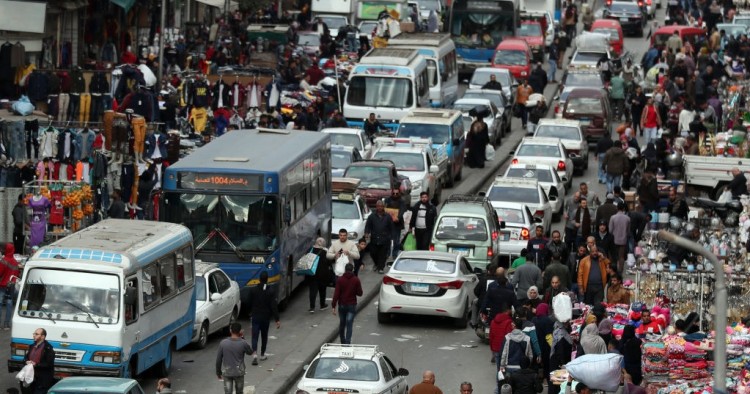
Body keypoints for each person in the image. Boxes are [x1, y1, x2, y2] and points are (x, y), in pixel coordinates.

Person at [247, 272, 280, 365]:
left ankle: (254, 354)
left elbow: (249, 302)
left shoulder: (253, 290)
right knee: (264, 336)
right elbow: (273, 306)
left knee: (254, 336)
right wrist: (277, 319)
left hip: (255, 316)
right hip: (265, 317)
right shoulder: (270, 291)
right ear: (267, 279)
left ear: (259, 279)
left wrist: (249, 313)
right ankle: (262, 354)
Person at [216, 322, 254, 394]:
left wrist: (218, 372)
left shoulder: (223, 343)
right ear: (240, 331)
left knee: (228, 392)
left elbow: (218, 359)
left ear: (230, 330)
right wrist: (242, 337)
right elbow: (250, 352)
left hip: (227, 372)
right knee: (239, 392)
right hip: (239, 372)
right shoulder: (243, 343)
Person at [332, 263, 363, 344]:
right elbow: (360, 293)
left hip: (342, 305)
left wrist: (333, 306)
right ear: (352, 270)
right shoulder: (356, 280)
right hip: (351, 305)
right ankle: (348, 342)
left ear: (345, 270)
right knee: (349, 323)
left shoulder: (340, 280)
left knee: (342, 323)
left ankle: (342, 340)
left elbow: (336, 294)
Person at [365, 200, 394, 274]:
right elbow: (368, 226)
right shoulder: (371, 216)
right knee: (373, 253)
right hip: (374, 238)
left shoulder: (388, 216)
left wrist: (391, 237)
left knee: (383, 254)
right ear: (376, 207)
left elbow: (391, 227)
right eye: (378, 206)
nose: (380, 207)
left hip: (385, 239)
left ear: (383, 207)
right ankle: (377, 264)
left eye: (381, 206)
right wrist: (367, 233)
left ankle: (381, 268)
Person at [23, 328, 55, 394]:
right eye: (34, 334)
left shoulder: (48, 348)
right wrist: (26, 361)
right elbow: (25, 357)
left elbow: (49, 364)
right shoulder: (31, 346)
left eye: (36, 334)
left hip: (42, 379)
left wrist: (36, 364)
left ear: (43, 336)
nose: (34, 335)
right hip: (31, 377)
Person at [308, 237, 332, 313]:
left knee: (312, 291)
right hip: (323, 275)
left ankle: (312, 307)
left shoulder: (311, 251)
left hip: (312, 274)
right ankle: (322, 305)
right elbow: (329, 263)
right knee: (322, 290)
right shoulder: (325, 252)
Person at [0, 243, 20, 329]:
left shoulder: (3, 260)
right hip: (11, 285)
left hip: (3, 285)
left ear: (6, 250)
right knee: (9, 304)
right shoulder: (15, 262)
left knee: (0, 303)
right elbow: (17, 274)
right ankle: (7, 324)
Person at [384, 189, 408, 260]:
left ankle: (395, 254)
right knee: (387, 239)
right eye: (393, 193)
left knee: (396, 240)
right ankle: (387, 254)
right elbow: (385, 209)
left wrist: (398, 217)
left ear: (399, 194)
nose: (395, 195)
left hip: (397, 223)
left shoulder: (401, 201)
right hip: (388, 223)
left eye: (396, 193)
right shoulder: (387, 200)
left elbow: (403, 210)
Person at [609, 203, 630, 273]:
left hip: (614, 240)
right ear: (624, 209)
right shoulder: (627, 218)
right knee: (621, 257)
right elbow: (628, 231)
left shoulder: (613, 217)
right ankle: (620, 271)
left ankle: (613, 270)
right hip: (623, 240)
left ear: (617, 208)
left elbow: (610, 230)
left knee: (613, 256)